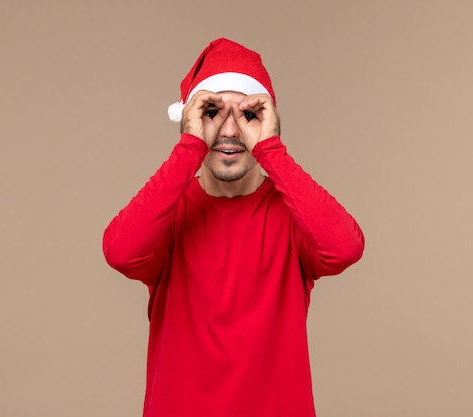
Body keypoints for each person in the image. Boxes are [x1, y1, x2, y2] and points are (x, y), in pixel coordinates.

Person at [102, 38, 365, 417]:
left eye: (248, 115)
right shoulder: (170, 213)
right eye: (211, 112)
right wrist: (189, 147)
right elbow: (121, 252)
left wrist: (272, 151)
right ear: (190, 118)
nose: (229, 130)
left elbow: (345, 249)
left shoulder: (291, 213)